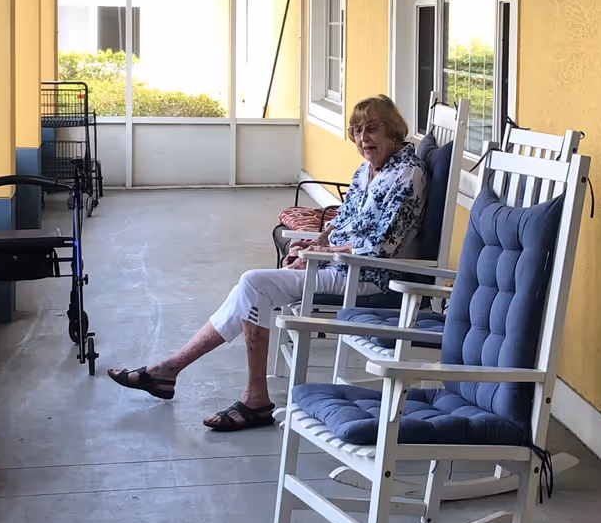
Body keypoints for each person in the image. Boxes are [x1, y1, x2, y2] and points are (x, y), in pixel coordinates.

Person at [107, 94, 429, 432]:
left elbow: (381, 245)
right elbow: (344, 220)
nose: (363, 139)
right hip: (340, 266)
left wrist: (321, 256)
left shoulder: (407, 173)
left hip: (369, 277)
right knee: (250, 290)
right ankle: (176, 372)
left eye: (372, 129)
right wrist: (318, 241)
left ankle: (242, 394)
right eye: (356, 131)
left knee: (254, 285)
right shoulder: (368, 169)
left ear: (393, 129)